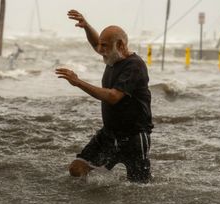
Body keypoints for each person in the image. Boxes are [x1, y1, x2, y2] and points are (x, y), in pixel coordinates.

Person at [55, 10, 153, 183]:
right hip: (109, 134)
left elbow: (113, 96)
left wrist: (78, 82)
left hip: (134, 137)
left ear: (121, 45)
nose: (100, 50)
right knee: (76, 169)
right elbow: (96, 43)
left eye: (105, 46)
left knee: (139, 188)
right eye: (100, 45)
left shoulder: (134, 66)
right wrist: (86, 26)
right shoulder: (112, 57)